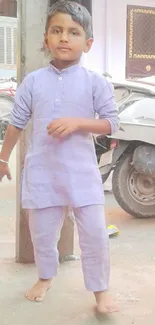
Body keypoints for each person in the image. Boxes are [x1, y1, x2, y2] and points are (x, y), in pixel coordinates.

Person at [0, 0, 119, 314]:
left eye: (73, 32)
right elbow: (16, 124)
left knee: (94, 234)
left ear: (87, 43)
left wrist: (78, 122)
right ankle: (45, 277)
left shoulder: (95, 82)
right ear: (46, 39)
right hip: (43, 171)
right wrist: (2, 159)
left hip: (81, 173)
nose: (64, 38)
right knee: (42, 233)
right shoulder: (33, 82)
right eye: (57, 31)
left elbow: (112, 122)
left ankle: (100, 291)